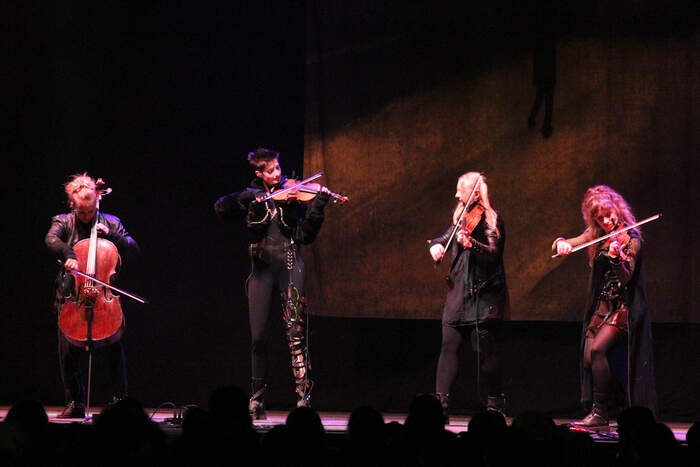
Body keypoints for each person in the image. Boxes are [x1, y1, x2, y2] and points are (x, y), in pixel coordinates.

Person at [214, 147, 331, 419]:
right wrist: (251, 199)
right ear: (259, 174)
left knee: (296, 334)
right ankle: (257, 399)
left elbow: (305, 235)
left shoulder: (291, 198)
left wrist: (319, 208)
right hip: (262, 270)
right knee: (258, 337)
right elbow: (221, 207)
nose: (278, 174)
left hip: (290, 266)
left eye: (278, 168)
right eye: (271, 171)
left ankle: (303, 398)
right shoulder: (254, 197)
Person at [553, 185, 657, 426]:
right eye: (600, 218)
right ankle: (617, 405)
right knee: (590, 357)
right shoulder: (596, 234)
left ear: (617, 209)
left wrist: (617, 257)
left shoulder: (631, 239)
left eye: (609, 214)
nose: (607, 221)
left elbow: (626, 277)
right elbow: (571, 241)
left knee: (598, 350)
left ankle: (601, 413)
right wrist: (560, 243)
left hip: (624, 308)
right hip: (602, 307)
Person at [45, 173, 139, 418]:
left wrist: (112, 235)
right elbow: (51, 239)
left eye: (91, 210)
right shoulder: (64, 221)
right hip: (72, 294)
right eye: (82, 212)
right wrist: (68, 253)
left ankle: (120, 401)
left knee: (114, 347)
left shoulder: (112, 221)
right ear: (73, 205)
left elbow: (133, 248)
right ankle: (74, 401)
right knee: (67, 348)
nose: (87, 216)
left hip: (103, 298)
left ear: (97, 202)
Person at [428, 172, 510, 421]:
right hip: (458, 293)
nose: (455, 194)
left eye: (459, 190)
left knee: (486, 353)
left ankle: (495, 403)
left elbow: (493, 254)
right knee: (447, 347)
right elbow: (446, 235)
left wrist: (472, 244)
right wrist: (437, 244)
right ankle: (440, 406)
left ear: (474, 193)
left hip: (483, 296)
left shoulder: (490, 220)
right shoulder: (463, 218)